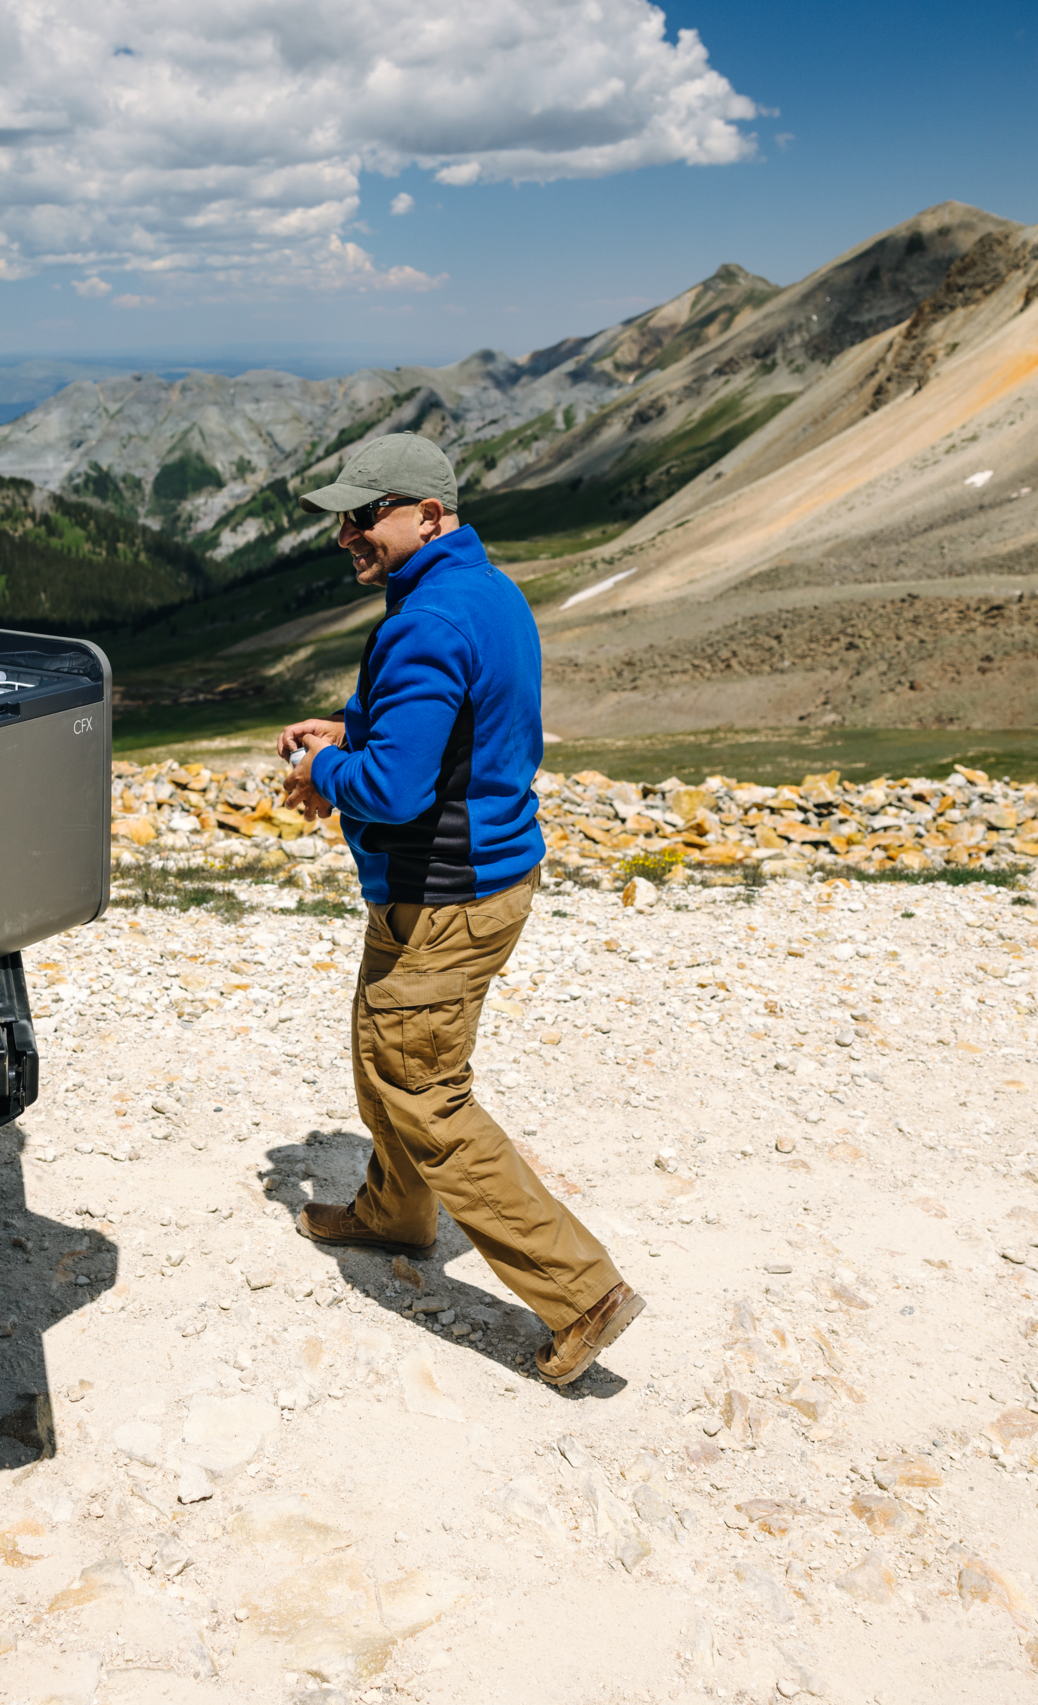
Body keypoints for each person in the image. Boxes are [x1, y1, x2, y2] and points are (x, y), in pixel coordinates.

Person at [277, 435, 642, 1388]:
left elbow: (395, 790)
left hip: (442, 888)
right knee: (384, 1048)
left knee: (421, 1084)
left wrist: (325, 767)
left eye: (363, 516)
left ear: (429, 514)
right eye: (342, 517)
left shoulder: (427, 619)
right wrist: (351, 730)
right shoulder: (484, 592)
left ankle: (581, 1291)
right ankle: (396, 1213)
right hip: (477, 878)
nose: (345, 534)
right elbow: (452, 728)